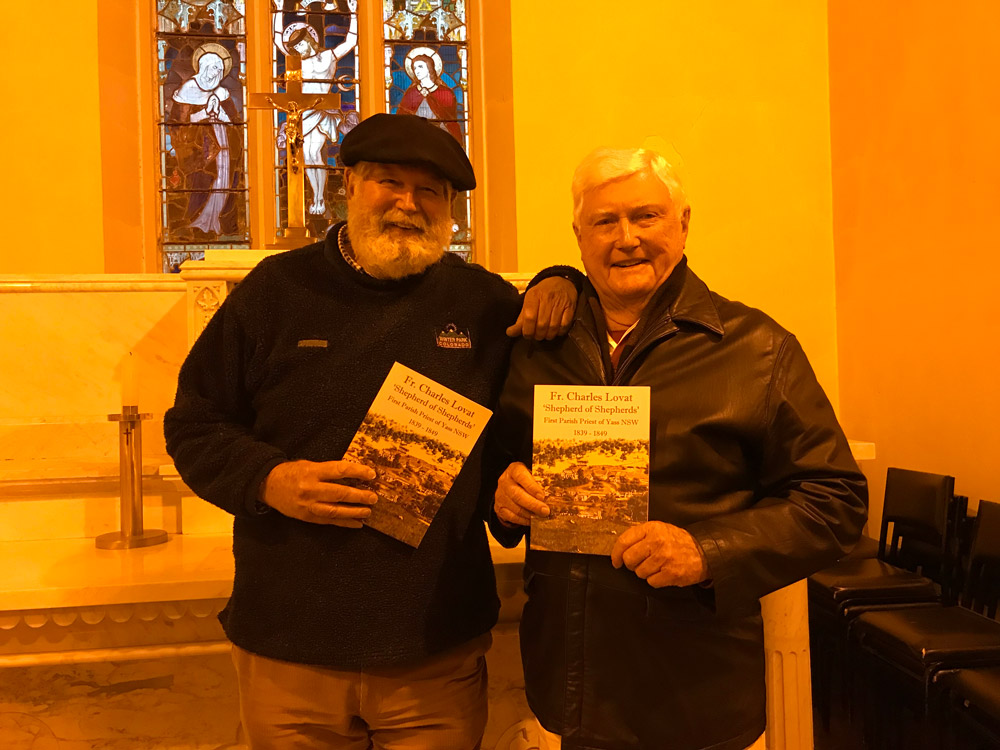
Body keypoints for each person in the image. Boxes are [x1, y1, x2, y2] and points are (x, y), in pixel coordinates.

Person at [164, 113, 579, 750]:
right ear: (349, 184)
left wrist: (565, 279)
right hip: (289, 648)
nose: (408, 204)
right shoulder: (274, 292)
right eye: (389, 181)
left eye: (430, 192)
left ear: (451, 208)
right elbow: (194, 423)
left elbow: (513, 437)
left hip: (433, 652)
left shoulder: (484, 305)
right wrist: (270, 479)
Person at [489, 147, 869, 750]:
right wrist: (502, 495)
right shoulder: (538, 347)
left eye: (646, 217)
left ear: (683, 224)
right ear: (579, 236)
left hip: (695, 688)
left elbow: (836, 500)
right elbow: (495, 461)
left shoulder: (756, 349)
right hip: (568, 681)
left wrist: (707, 549)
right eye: (605, 222)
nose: (627, 239)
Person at [273, 0, 359, 215]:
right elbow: (277, 41)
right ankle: (317, 196)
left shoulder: (328, 57)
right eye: (296, 48)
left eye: (301, 45)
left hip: (323, 109)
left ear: (310, 41)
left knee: (313, 153)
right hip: (304, 111)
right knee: (308, 157)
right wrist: (276, 10)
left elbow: (350, 42)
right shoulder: (297, 63)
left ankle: (320, 198)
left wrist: (355, 14)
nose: (298, 50)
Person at [169, 43, 242, 237]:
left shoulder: (223, 93)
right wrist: (204, 113)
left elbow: (235, 122)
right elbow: (177, 124)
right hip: (199, 152)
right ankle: (197, 220)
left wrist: (221, 116)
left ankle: (217, 221)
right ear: (204, 66)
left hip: (223, 145)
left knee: (223, 182)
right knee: (201, 182)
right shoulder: (188, 90)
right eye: (214, 67)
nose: (216, 72)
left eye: (220, 68)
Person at [397, 48, 462, 141]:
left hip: (439, 138)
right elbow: (401, 121)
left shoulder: (445, 93)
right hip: (415, 138)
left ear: (429, 68)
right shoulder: (411, 93)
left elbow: (450, 122)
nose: (417, 71)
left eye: (420, 66)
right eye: (414, 68)